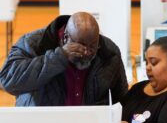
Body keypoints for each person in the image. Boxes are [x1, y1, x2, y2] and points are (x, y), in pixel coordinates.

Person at [0, 12, 128, 106]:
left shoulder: (109, 52)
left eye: (92, 46)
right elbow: (7, 81)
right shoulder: (33, 43)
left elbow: (122, 99)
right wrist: (59, 56)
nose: (87, 51)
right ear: (66, 38)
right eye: (81, 45)